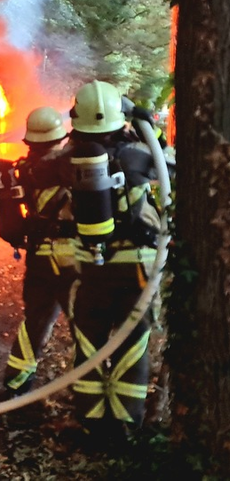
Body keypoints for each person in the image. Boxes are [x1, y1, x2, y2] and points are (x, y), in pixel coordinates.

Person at [65, 80, 162, 442]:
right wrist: (145, 124)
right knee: (133, 341)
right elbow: (169, 164)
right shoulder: (139, 154)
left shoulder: (67, 159)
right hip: (137, 267)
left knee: (88, 339)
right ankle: (125, 424)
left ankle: (90, 420)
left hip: (90, 268)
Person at [3, 106, 78, 396]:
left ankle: (16, 380)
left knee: (35, 318)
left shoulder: (25, 168)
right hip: (69, 256)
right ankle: (86, 387)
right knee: (83, 323)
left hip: (38, 258)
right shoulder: (63, 165)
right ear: (57, 136)